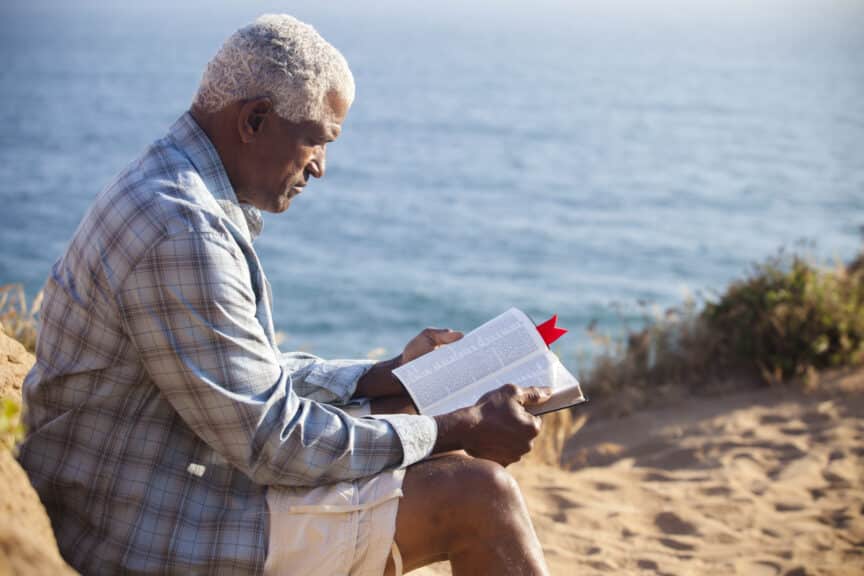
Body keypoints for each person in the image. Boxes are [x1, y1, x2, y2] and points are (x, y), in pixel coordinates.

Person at [18, 14, 551, 576]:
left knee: (407, 412)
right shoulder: (183, 230)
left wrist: (385, 377)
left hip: (153, 483)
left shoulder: (175, 189)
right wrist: (456, 426)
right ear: (254, 120)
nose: (320, 167)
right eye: (318, 140)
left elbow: (246, 379)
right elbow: (276, 443)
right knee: (481, 495)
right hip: (138, 529)